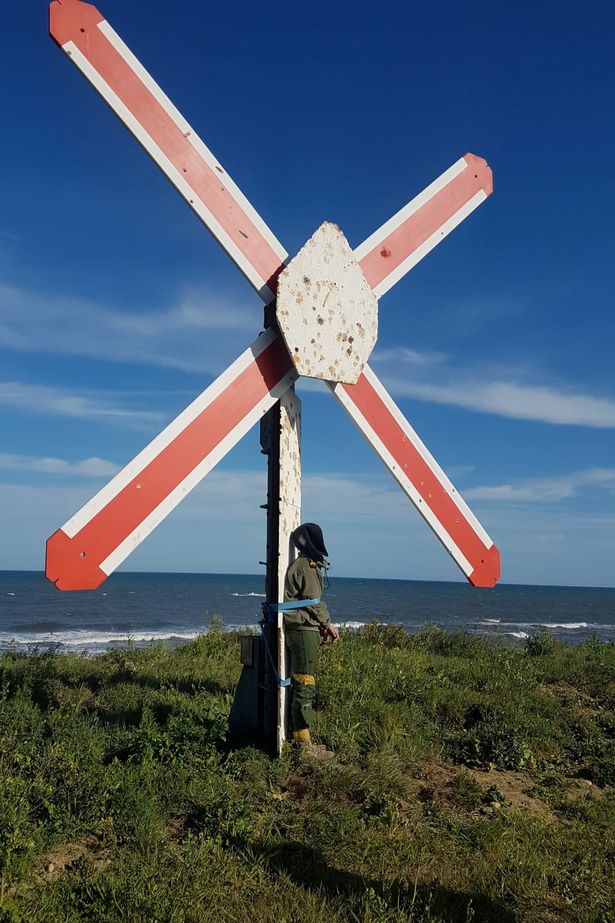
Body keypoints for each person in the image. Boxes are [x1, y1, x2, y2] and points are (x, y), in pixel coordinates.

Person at [283, 522, 339, 760]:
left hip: (303, 627)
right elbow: (314, 601)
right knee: (305, 684)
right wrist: (328, 624)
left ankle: (300, 736)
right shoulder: (307, 566)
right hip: (304, 628)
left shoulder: (302, 564)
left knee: (301, 681)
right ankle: (304, 744)